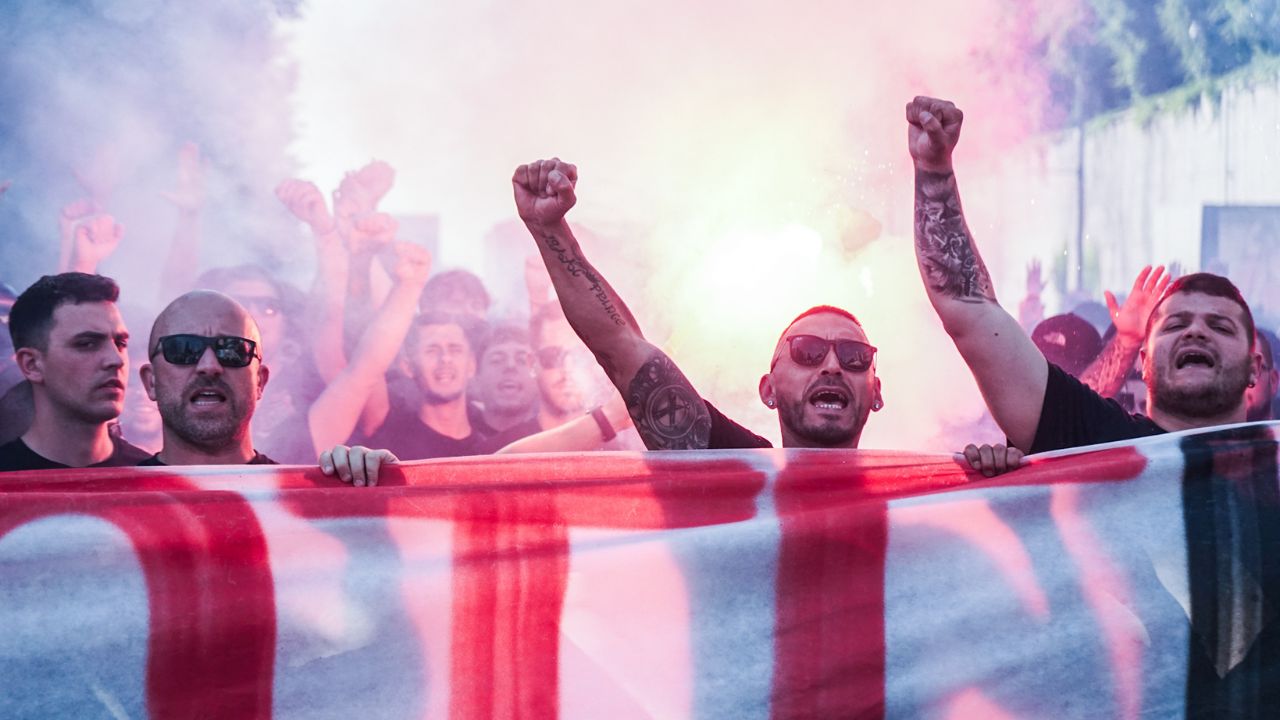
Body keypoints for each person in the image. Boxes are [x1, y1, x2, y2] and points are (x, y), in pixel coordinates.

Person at [906, 95, 1261, 453]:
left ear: (1255, 365)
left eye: (1219, 326)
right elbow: (968, 307)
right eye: (1175, 325)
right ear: (1144, 360)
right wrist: (935, 172)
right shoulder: (1096, 442)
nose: (1196, 332)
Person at [512, 157, 883, 450]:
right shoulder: (736, 468)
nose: (833, 365)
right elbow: (621, 347)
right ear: (768, 389)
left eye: (855, 356)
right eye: (808, 351)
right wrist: (549, 230)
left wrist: (932, 171)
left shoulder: (915, 504)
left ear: (876, 393)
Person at [138, 290, 396, 484]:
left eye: (233, 350)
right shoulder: (103, 508)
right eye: (183, 349)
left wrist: (386, 486)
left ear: (260, 381)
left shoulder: (304, 499)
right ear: (151, 381)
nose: (209, 365)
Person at [0, 273, 150, 470]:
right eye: (87, 344)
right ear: (32, 365)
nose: (116, 360)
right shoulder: (6, 480)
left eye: (120, 344)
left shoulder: (152, 480)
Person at [1246, 328, 1279, 422]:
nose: (1239, 380)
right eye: (1231, 371)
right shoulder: (1204, 433)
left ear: (1273, 380)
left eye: (1252, 370)